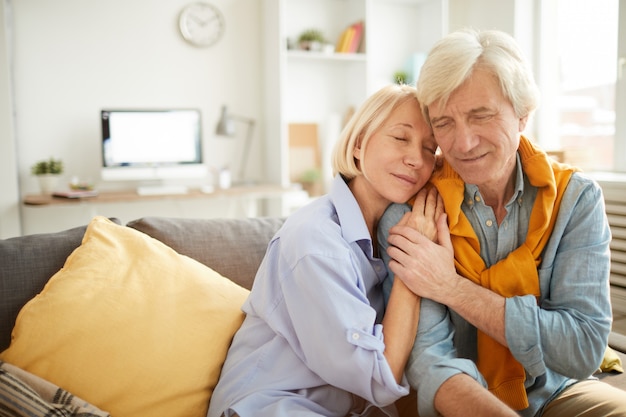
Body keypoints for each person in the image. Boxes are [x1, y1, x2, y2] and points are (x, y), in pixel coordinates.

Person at [379, 28, 626, 417]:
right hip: (457, 399)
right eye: (444, 123)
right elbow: (429, 361)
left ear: (523, 113)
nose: (462, 143)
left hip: (556, 391)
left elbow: (583, 347)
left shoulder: (575, 199)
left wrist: (452, 288)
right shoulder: (412, 216)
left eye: (481, 115)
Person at [208, 83, 444, 417]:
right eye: (400, 138)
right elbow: (380, 379)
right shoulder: (316, 243)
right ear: (359, 144)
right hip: (271, 407)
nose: (416, 160)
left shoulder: (385, 232)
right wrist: (414, 262)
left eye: (429, 149)